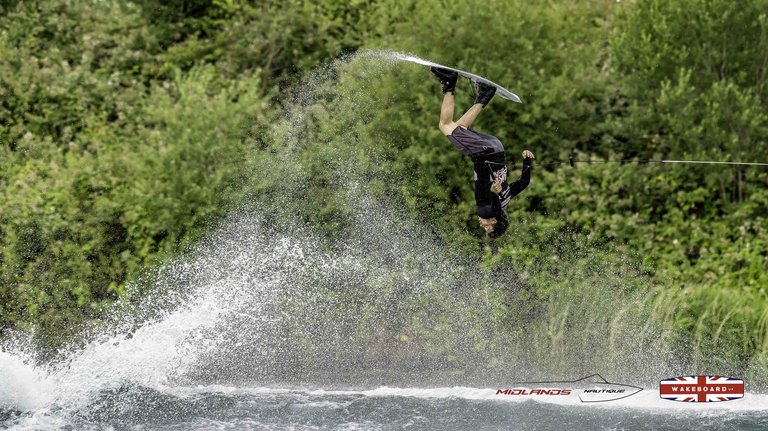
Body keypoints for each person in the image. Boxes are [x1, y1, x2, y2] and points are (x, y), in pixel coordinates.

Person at [430, 67, 535, 239]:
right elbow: (490, 203)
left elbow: (523, 182)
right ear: (494, 221)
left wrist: (527, 161)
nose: (483, 225)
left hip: (496, 148)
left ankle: (484, 95)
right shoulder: (487, 210)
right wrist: (492, 192)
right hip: (483, 153)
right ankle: (449, 82)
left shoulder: (505, 200)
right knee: (445, 125)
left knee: (460, 128)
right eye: (487, 227)